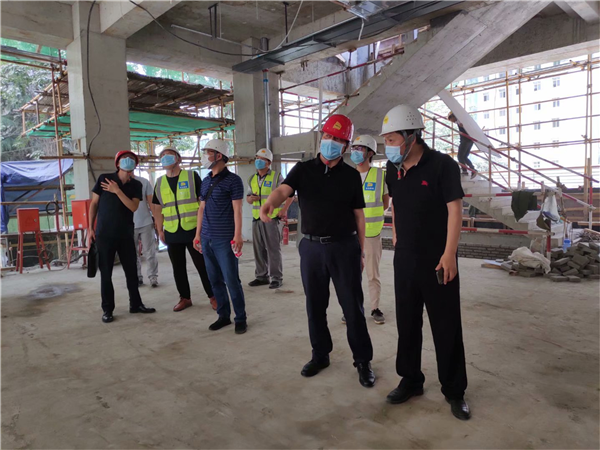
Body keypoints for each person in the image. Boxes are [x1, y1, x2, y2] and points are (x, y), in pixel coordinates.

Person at [260, 114, 375, 388]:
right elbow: (283, 190)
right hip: (311, 248)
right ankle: (320, 355)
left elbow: (359, 215)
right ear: (321, 137)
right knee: (315, 305)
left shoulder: (351, 176)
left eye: (338, 139)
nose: (331, 142)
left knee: (353, 307)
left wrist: (360, 251)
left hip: (344, 247)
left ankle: (363, 361)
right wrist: (270, 202)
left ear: (345, 146)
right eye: (328, 136)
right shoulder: (303, 169)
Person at [382, 104, 470, 420]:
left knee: (446, 326)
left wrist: (449, 254)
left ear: (412, 136)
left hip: (438, 260)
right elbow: (397, 204)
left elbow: (455, 210)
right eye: (386, 141)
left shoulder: (442, 165)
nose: (388, 146)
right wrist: (396, 234)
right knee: (407, 323)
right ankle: (410, 380)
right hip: (405, 259)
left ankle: (455, 391)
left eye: (392, 139)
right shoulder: (393, 169)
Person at [88, 151, 156, 323]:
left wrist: (117, 191)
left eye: (132, 159)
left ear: (135, 165)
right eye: (124, 159)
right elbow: (94, 203)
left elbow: (133, 207)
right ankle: (107, 309)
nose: (128, 161)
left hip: (126, 234)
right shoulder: (104, 179)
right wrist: (90, 228)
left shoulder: (136, 185)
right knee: (106, 273)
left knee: (131, 271)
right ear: (117, 163)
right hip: (104, 234)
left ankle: (136, 304)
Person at [193, 139, 247, 334]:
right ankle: (223, 316)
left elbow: (237, 210)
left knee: (231, 280)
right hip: (206, 238)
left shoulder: (233, 180)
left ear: (219, 155)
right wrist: (198, 235)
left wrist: (237, 235)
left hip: (225, 239)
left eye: (208, 152)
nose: (205, 156)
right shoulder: (205, 180)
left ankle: (240, 318)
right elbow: (201, 209)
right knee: (214, 279)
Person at [153, 147, 216, 312]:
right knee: (178, 267)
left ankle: (213, 296)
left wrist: (204, 227)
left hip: (193, 229)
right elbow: (157, 208)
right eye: (162, 156)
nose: (165, 158)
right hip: (172, 230)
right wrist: (160, 229)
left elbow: (203, 202)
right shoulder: (159, 182)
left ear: (178, 159)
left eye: (169, 155)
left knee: (203, 265)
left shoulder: (191, 176)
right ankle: (185, 298)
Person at [348, 134, 390, 325]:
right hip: (350, 234)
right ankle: (352, 309)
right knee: (351, 274)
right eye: (354, 148)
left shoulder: (380, 175)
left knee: (372, 274)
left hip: (372, 234)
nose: (355, 152)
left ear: (370, 153)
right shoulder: (347, 176)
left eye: (360, 148)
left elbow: (385, 202)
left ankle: (375, 308)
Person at [246, 148, 294, 289]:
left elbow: (289, 194)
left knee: (273, 248)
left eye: (262, 159)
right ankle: (261, 276)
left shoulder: (276, 177)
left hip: (272, 218)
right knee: (258, 249)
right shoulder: (252, 178)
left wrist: (284, 210)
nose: (258, 161)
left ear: (269, 162)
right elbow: (248, 198)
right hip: (256, 218)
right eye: (257, 158)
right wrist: (251, 198)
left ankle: (276, 277)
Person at [133, 174, 159, 287]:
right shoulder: (119, 183)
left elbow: (151, 202)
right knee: (132, 253)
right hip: (128, 224)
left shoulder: (143, 182)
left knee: (149, 251)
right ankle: (137, 276)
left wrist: (156, 219)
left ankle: (153, 276)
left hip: (146, 222)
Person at [447, 112, 477, 179]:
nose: (452, 122)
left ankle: (464, 170)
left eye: (451, 120)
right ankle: (472, 169)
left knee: (460, 156)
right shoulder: (462, 121)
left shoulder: (460, 121)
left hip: (465, 140)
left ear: (453, 117)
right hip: (470, 140)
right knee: (465, 157)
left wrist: (462, 126)